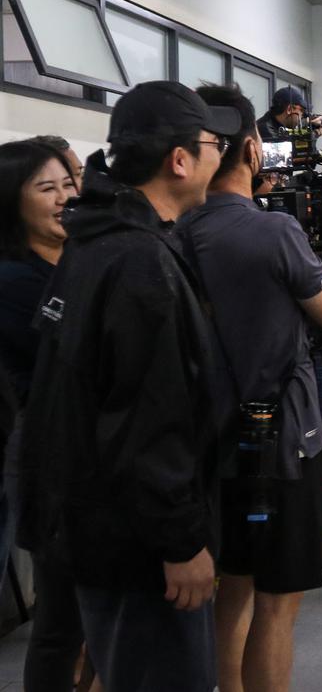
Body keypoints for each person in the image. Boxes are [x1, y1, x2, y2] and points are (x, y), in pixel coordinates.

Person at [17, 80, 240, 691]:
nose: (221, 155)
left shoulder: (97, 241)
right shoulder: (140, 262)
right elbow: (148, 418)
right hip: (138, 549)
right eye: (212, 144)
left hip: (101, 529)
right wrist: (181, 542)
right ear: (180, 160)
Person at [178, 83, 322, 692]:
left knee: (232, 589)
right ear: (253, 150)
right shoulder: (274, 232)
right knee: (278, 603)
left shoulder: (174, 233)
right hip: (283, 445)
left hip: (209, 445)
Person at [0, 140, 82, 691]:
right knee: (61, 621)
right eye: (46, 187)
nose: (64, 197)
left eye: (68, 184)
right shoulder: (12, 279)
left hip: (95, 450)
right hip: (49, 455)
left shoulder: (82, 255)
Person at [257, 86, 322, 142]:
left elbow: (290, 135)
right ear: (289, 109)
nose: (302, 115)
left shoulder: (276, 124)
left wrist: (308, 126)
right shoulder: (264, 130)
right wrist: (311, 135)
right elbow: (285, 150)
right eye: (301, 110)